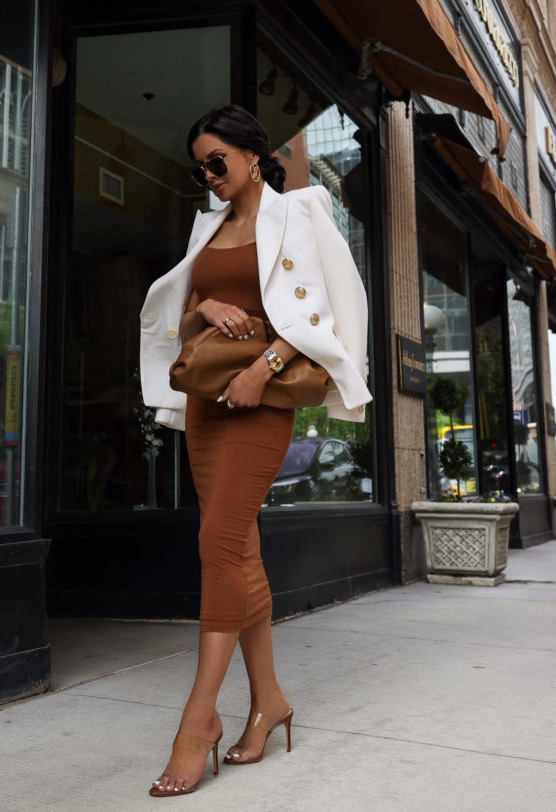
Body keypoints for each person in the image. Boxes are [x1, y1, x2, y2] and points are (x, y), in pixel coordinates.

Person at [140, 104, 371, 796]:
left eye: (217, 160)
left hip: (261, 405)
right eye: (199, 165)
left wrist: (261, 367)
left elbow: (328, 307)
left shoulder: (302, 212)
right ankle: (269, 702)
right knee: (236, 548)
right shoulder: (205, 226)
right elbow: (178, 317)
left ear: (250, 154)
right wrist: (204, 310)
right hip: (209, 406)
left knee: (218, 541)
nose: (208, 175)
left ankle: (198, 717)